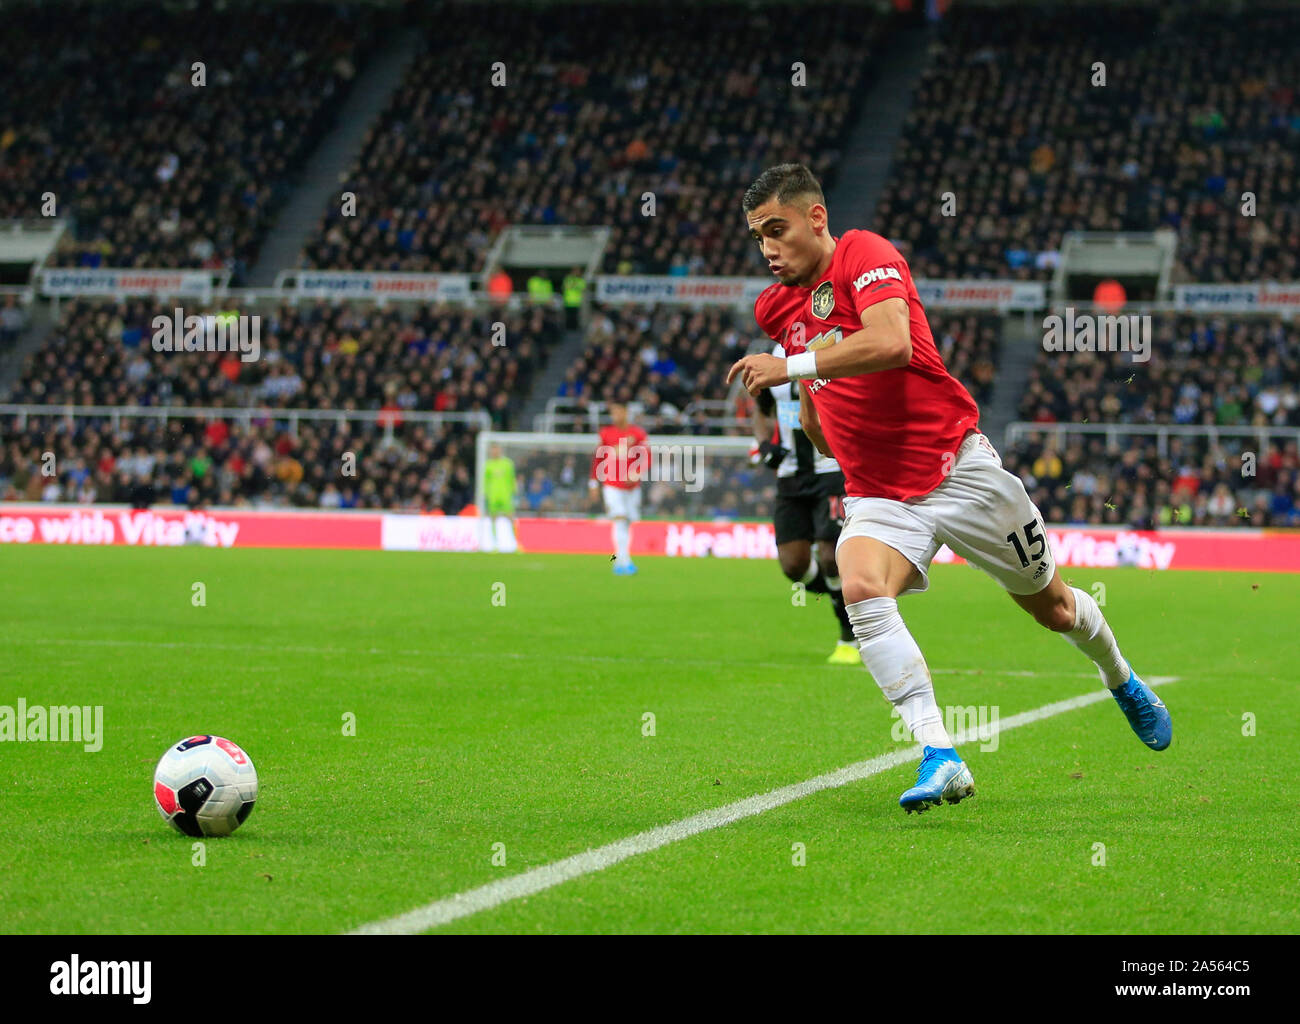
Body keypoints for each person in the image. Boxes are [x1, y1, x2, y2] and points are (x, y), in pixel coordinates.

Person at [726, 163, 1170, 813]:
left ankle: (1121, 677)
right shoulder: (777, 307)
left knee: (1055, 609)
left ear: (815, 219)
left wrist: (791, 367)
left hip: (957, 470)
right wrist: (818, 422)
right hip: (880, 492)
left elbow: (891, 343)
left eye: (776, 229)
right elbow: (820, 393)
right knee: (859, 587)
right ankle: (940, 754)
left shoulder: (864, 254)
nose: (767, 246)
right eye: (756, 235)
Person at [751, 378, 858, 664]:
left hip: (832, 469)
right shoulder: (773, 359)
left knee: (829, 556)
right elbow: (761, 409)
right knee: (793, 565)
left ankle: (849, 633)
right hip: (790, 476)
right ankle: (846, 594)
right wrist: (763, 444)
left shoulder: (830, 346)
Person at [590, 403, 647, 575]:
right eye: (613, 412)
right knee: (620, 519)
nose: (615, 415)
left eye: (618, 411)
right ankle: (623, 561)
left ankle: (619, 558)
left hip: (632, 487)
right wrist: (593, 483)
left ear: (626, 412)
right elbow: (597, 460)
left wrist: (637, 472)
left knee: (627, 522)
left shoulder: (637, 433)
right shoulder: (606, 433)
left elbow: (646, 457)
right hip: (612, 484)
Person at [482, 443, 520, 552]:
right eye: (492, 450)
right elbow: (485, 481)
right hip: (493, 496)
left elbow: (512, 479)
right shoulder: (488, 464)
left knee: (511, 518)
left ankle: (516, 544)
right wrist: (485, 494)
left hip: (506, 496)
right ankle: (495, 545)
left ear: (500, 450)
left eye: (496, 449)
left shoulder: (507, 463)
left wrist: (515, 492)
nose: (494, 452)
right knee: (493, 519)